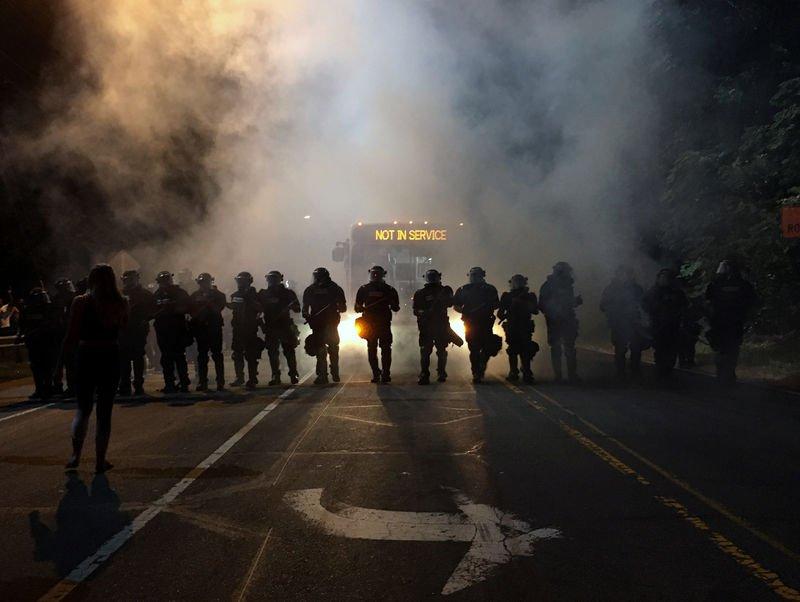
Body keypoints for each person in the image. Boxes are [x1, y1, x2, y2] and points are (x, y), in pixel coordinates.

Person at [63, 264, 129, 473]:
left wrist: (62, 363)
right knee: (104, 412)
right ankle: (100, 460)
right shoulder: (121, 302)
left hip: (86, 354)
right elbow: (123, 328)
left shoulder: (81, 302)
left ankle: (76, 455)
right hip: (109, 354)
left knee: (83, 409)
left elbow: (72, 334)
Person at [705, 260, 757, 385]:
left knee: (720, 348)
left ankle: (722, 372)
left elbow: (707, 301)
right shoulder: (743, 284)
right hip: (734, 322)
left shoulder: (715, 284)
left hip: (720, 322)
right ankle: (728, 372)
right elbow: (752, 302)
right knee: (732, 349)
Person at [453, 267, 500, 384]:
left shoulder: (489, 289)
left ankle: (481, 365)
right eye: (472, 275)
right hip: (470, 323)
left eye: (477, 275)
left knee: (487, 348)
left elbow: (496, 304)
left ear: (482, 276)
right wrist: (465, 312)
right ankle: (476, 373)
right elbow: (456, 305)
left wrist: (486, 308)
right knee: (473, 349)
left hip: (485, 323)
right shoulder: (463, 290)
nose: (474, 277)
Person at [539, 262, 583, 383]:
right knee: (557, 348)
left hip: (566, 319)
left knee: (568, 348)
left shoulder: (569, 285)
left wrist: (575, 302)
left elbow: (569, 302)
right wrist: (553, 312)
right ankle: (560, 375)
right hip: (555, 321)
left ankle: (570, 375)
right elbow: (542, 304)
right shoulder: (548, 286)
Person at [355, 266, 400, 383]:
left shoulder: (389, 290)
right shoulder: (364, 289)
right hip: (370, 325)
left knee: (383, 349)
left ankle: (385, 373)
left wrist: (392, 302)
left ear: (381, 275)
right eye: (373, 274)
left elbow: (396, 308)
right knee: (373, 349)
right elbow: (357, 307)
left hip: (383, 324)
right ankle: (377, 373)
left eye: (377, 274)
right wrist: (360, 308)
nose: (375, 276)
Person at [302, 267, 347, 385]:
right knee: (321, 349)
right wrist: (307, 315)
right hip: (317, 324)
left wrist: (337, 306)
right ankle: (322, 375)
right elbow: (305, 308)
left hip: (331, 323)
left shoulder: (335, 289)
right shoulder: (310, 290)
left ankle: (334, 371)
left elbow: (343, 307)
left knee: (333, 347)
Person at [599, 265, 645, 381]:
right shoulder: (611, 289)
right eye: (621, 273)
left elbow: (644, 305)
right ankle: (620, 372)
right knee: (620, 348)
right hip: (618, 323)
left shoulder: (637, 289)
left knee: (636, 347)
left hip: (634, 322)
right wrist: (615, 308)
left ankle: (635, 370)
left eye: (627, 273)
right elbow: (603, 305)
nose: (624, 276)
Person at [258, 271, 301, 385]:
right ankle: (275, 375)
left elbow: (297, 309)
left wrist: (291, 306)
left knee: (289, 351)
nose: (272, 281)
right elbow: (257, 310)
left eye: (274, 279)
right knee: (273, 353)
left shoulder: (288, 293)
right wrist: (262, 325)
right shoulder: (263, 294)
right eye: (270, 279)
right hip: (271, 326)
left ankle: (293, 373)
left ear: (279, 280)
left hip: (285, 326)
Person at [643, 268, 687, 380]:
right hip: (658, 326)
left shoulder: (677, 292)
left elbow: (684, 306)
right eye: (661, 277)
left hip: (673, 326)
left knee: (672, 350)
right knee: (660, 350)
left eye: (666, 278)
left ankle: (668, 370)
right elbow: (646, 306)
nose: (663, 280)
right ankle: (660, 371)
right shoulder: (653, 291)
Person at [412, 269, 455, 384]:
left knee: (440, 350)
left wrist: (444, 299)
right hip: (427, 326)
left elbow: (451, 303)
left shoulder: (445, 290)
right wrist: (424, 313)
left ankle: (440, 372)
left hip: (440, 325)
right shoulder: (420, 293)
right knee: (427, 351)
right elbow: (416, 310)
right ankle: (425, 373)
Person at [17, 288, 60, 400]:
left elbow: (54, 325)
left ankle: (49, 387)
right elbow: (22, 325)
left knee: (48, 366)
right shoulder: (27, 310)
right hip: (34, 343)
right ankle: (40, 388)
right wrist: (20, 335)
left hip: (47, 342)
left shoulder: (50, 309)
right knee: (36, 366)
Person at [153, 271, 192, 394]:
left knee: (179, 357)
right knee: (166, 358)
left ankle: (184, 383)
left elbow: (187, 308)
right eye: (162, 281)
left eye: (166, 280)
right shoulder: (157, 295)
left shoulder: (180, 293)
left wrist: (173, 309)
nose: (164, 283)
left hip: (177, 330)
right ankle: (169, 384)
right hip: (162, 330)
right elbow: (152, 310)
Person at [118, 270, 155, 397]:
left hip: (138, 330)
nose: (129, 282)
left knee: (138, 357)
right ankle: (125, 385)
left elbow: (153, 310)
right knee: (124, 359)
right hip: (122, 331)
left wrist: (145, 320)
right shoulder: (118, 294)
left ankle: (138, 384)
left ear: (137, 279)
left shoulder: (145, 294)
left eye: (131, 279)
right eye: (127, 279)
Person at [189, 273, 227, 391]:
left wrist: (209, 302)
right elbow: (191, 311)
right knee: (201, 356)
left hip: (214, 328)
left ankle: (220, 381)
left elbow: (218, 309)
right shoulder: (194, 295)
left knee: (217, 355)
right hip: (201, 329)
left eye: (206, 282)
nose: (204, 284)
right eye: (202, 282)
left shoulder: (219, 295)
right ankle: (202, 381)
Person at [498, 274, 539, 383]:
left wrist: (522, 303)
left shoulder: (530, 296)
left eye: (519, 282)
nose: (517, 284)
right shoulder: (507, 296)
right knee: (512, 350)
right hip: (512, 326)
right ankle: (513, 371)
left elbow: (535, 310)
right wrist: (508, 310)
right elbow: (500, 314)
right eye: (515, 282)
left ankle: (526, 371)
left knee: (526, 349)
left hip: (525, 326)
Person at [228, 271, 263, 390]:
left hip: (250, 328)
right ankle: (240, 377)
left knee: (251, 355)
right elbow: (232, 308)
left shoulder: (255, 295)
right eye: (239, 281)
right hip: (238, 328)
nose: (240, 283)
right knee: (237, 354)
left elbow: (260, 309)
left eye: (243, 281)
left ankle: (252, 378)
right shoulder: (235, 295)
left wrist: (249, 300)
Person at [51, 278, 77, 397]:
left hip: (72, 334)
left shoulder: (75, 299)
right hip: (59, 334)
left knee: (71, 362)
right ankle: (58, 386)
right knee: (59, 362)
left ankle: (73, 387)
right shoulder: (56, 300)